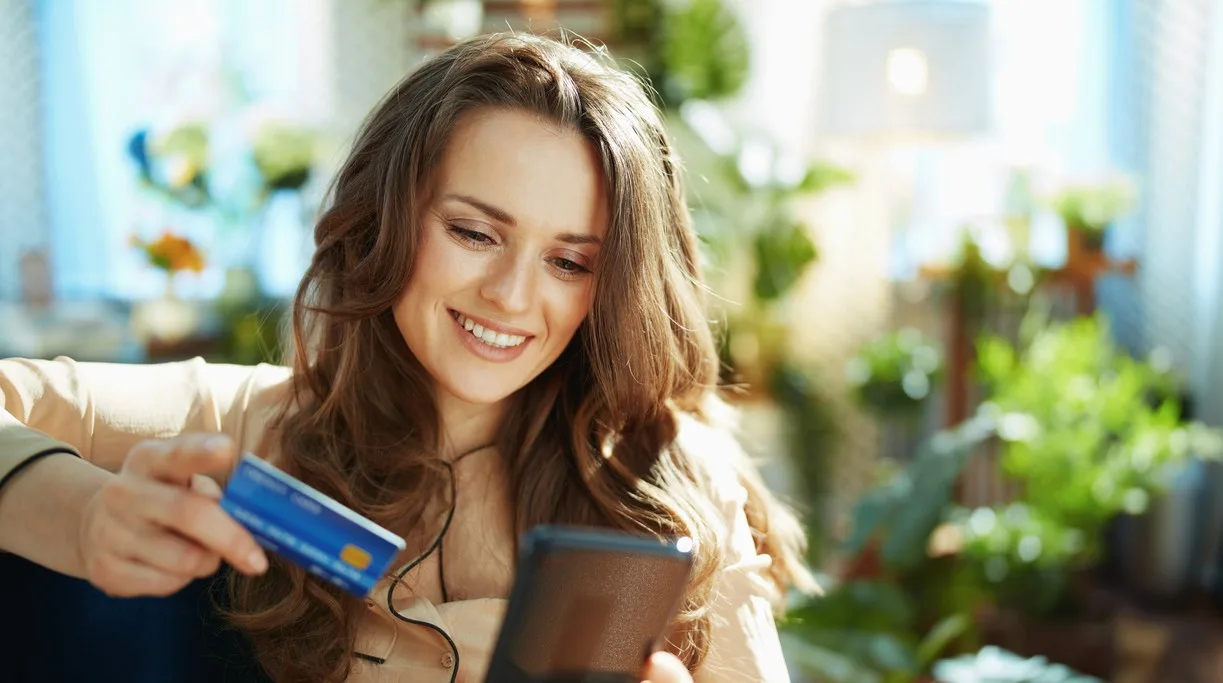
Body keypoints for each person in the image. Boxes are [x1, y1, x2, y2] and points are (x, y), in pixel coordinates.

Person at [0, 32, 816, 683]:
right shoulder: (252, 424)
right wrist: (84, 518)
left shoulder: (672, 488)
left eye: (569, 261)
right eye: (473, 232)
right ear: (384, 217)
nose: (510, 295)